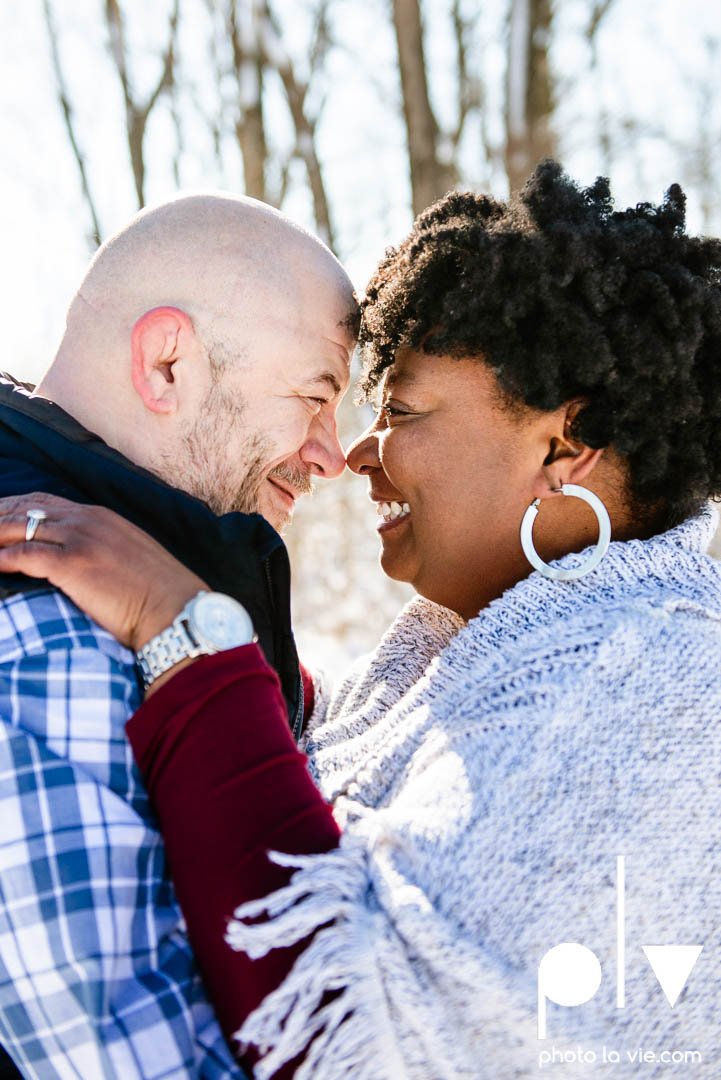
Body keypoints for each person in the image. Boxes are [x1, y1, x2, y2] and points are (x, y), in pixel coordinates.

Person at [1, 160, 721, 1078]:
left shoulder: (641, 684)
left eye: (403, 409)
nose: (353, 453)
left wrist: (189, 634)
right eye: (335, 400)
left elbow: (359, 1043)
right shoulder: (467, 651)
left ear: (564, 446)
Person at [0, 193, 357, 1078]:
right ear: (167, 365)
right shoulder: (49, 636)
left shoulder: (132, 591)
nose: (332, 453)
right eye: (314, 397)